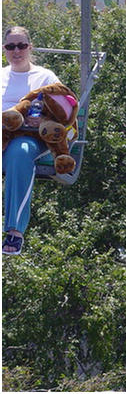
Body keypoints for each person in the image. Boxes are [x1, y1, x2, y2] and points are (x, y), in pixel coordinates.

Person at [1, 26, 61, 255]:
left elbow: (64, 108)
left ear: (30, 48)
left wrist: (45, 117)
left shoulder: (44, 77)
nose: (16, 51)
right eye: (11, 46)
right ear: (4, 49)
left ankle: (15, 230)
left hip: (29, 136)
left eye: (21, 46)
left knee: (20, 153)